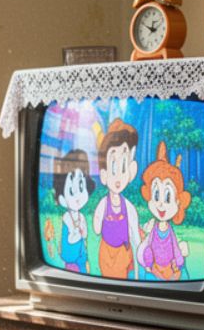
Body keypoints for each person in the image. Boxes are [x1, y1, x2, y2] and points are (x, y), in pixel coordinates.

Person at [92, 118, 141, 279]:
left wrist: (138, 274)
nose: (118, 176)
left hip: (123, 254)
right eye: (113, 167)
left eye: (123, 166)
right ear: (104, 174)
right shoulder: (103, 204)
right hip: (106, 253)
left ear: (131, 170)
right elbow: (97, 227)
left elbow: (135, 236)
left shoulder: (129, 207)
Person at [137, 140, 191, 281]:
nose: (160, 204)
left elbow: (175, 248)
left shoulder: (170, 231)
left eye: (167, 197)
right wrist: (148, 262)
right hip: (154, 267)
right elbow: (147, 245)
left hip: (168, 268)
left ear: (178, 201)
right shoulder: (152, 228)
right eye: (156, 195)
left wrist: (179, 262)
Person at [53, 149, 95, 273]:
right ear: (62, 198)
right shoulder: (67, 217)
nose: (77, 196)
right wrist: (76, 233)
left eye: (81, 187)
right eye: (71, 191)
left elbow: (85, 235)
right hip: (70, 255)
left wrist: (83, 230)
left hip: (81, 256)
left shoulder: (81, 217)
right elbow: (70, 239)